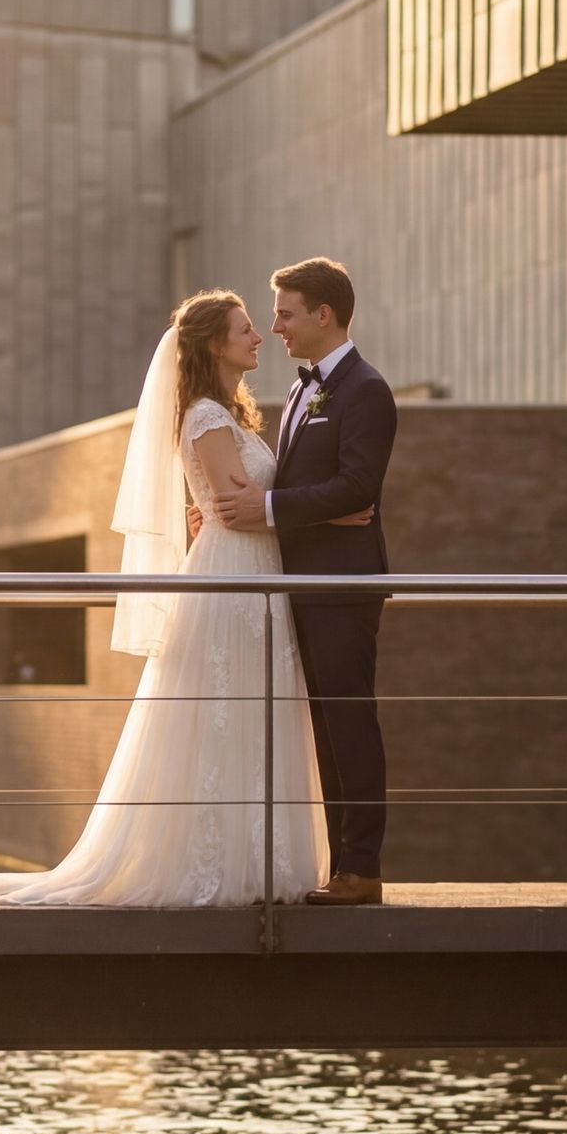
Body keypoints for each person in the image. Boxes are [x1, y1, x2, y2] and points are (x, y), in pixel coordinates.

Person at [0, 290, 342, 907]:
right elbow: (236, 508)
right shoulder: (206, 418)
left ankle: (257, 860)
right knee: (224, 713)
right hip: (234, 576)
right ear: (215, 344)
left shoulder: (228, 414)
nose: (258, 337)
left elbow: (236, 504)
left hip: (254, 573)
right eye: (246, 329)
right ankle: (216, 862)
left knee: (250, 712)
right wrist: (321, 514)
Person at [211, 257, 395, 906]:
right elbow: (318, 488)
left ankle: (362, 866)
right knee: (322, 722)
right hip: (301, 581)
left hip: (343, 583)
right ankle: (341, 862)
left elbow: (358, 485)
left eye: (286, 313)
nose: (275, 326)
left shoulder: (366, 390)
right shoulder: (298, 392)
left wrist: (266, 510)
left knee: (349, 719)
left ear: (324, 314)